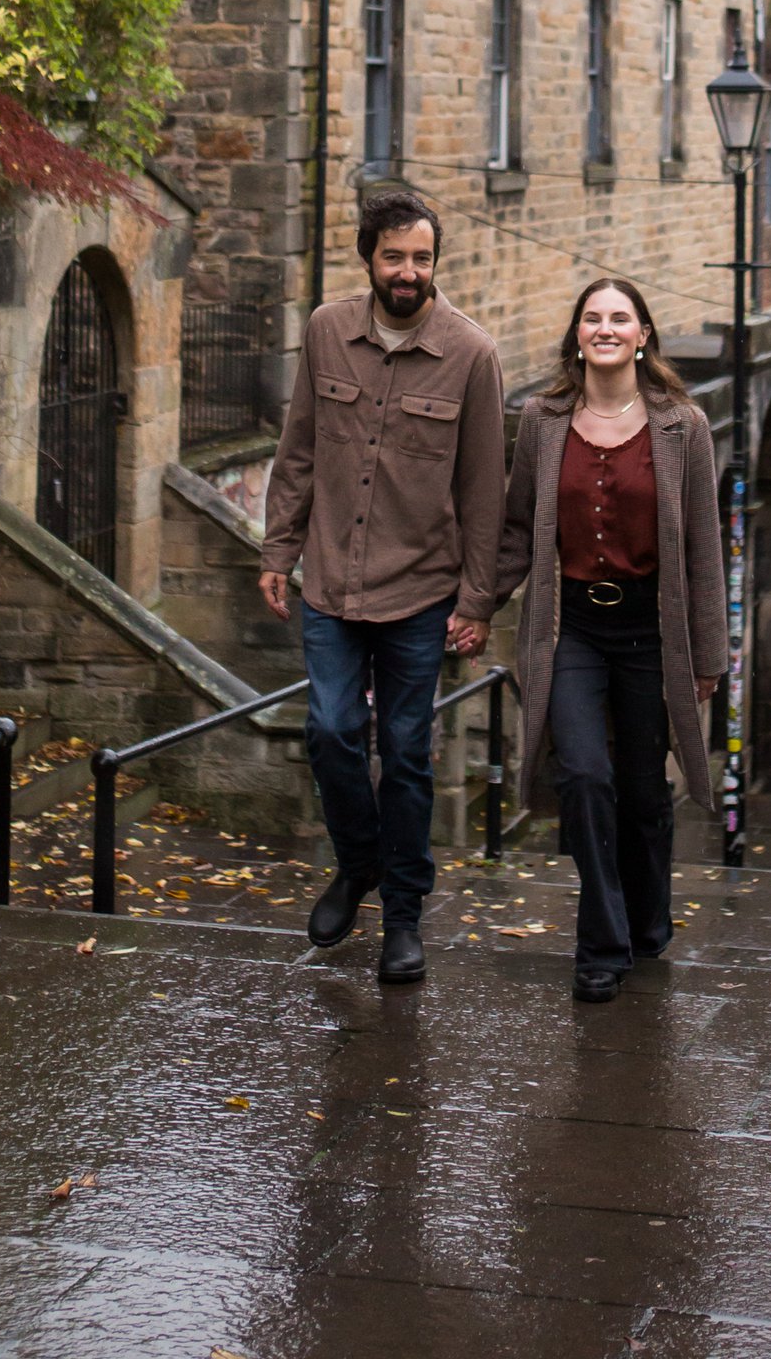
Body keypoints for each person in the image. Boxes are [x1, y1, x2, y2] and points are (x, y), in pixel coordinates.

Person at [258, 185, 504, 985]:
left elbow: (484, 493)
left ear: (436, 263)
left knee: (404, 752)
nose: (408, 272)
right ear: (369, 258)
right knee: (331, 731)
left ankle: (403, 915)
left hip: (421, 593)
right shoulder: (326, 331)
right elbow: (298, 449)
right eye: (394, 256)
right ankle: (358, 861)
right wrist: (277, 551)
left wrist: (477, 601)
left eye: (421, 258)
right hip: (331, 580)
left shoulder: (472, 355)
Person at [497, 276, 727, 1002]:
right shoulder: (541, 421)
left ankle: (647, 917)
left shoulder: (684, 427)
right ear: (576, 335)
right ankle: (600, 943)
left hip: (650, 630)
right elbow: (515, 529)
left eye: (620, 318)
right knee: (583, 776)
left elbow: (703, 548)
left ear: (642, 336)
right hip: (570, 627)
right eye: (592, 317)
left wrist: (709, 655)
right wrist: (473, 605)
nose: (605, 328)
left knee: (643, 790)